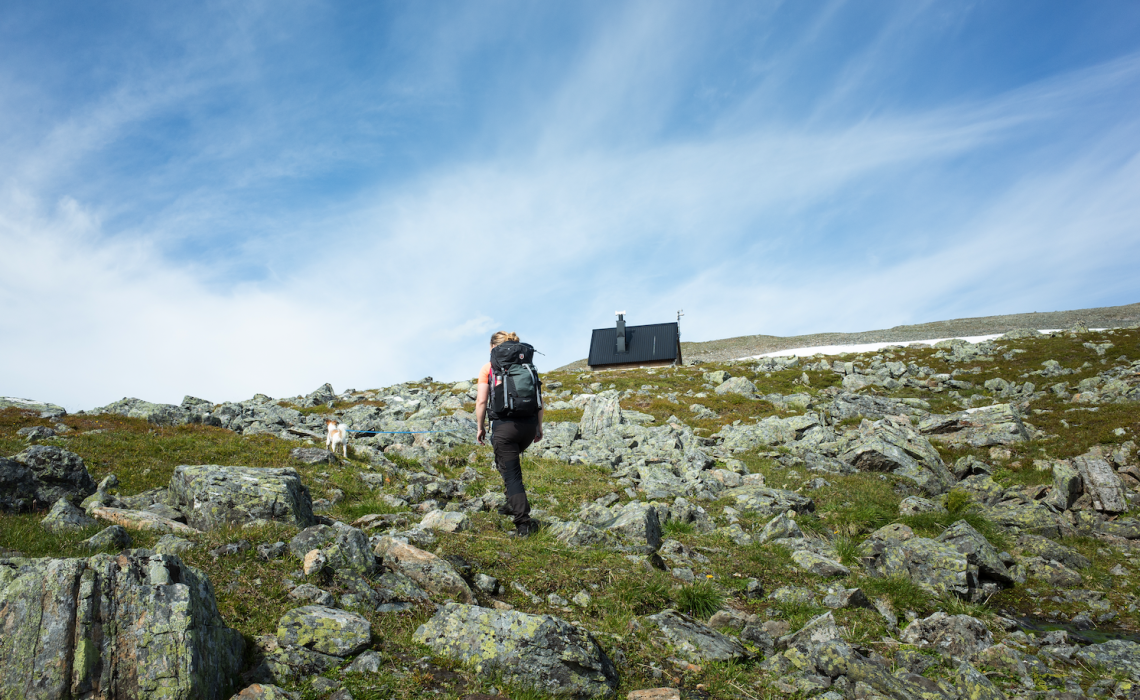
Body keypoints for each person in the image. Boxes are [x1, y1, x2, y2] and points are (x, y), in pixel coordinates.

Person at [476, 330, 544, 537]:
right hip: (528, 426)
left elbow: (481, 401)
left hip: (505, 427)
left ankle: (523, 524)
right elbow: (539, 400)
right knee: (504, 464)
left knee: (512, 475)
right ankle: (510, 503)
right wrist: (539, 427)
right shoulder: (527, 366)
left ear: (492, 348)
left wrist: (480, 427)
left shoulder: (489, 367)